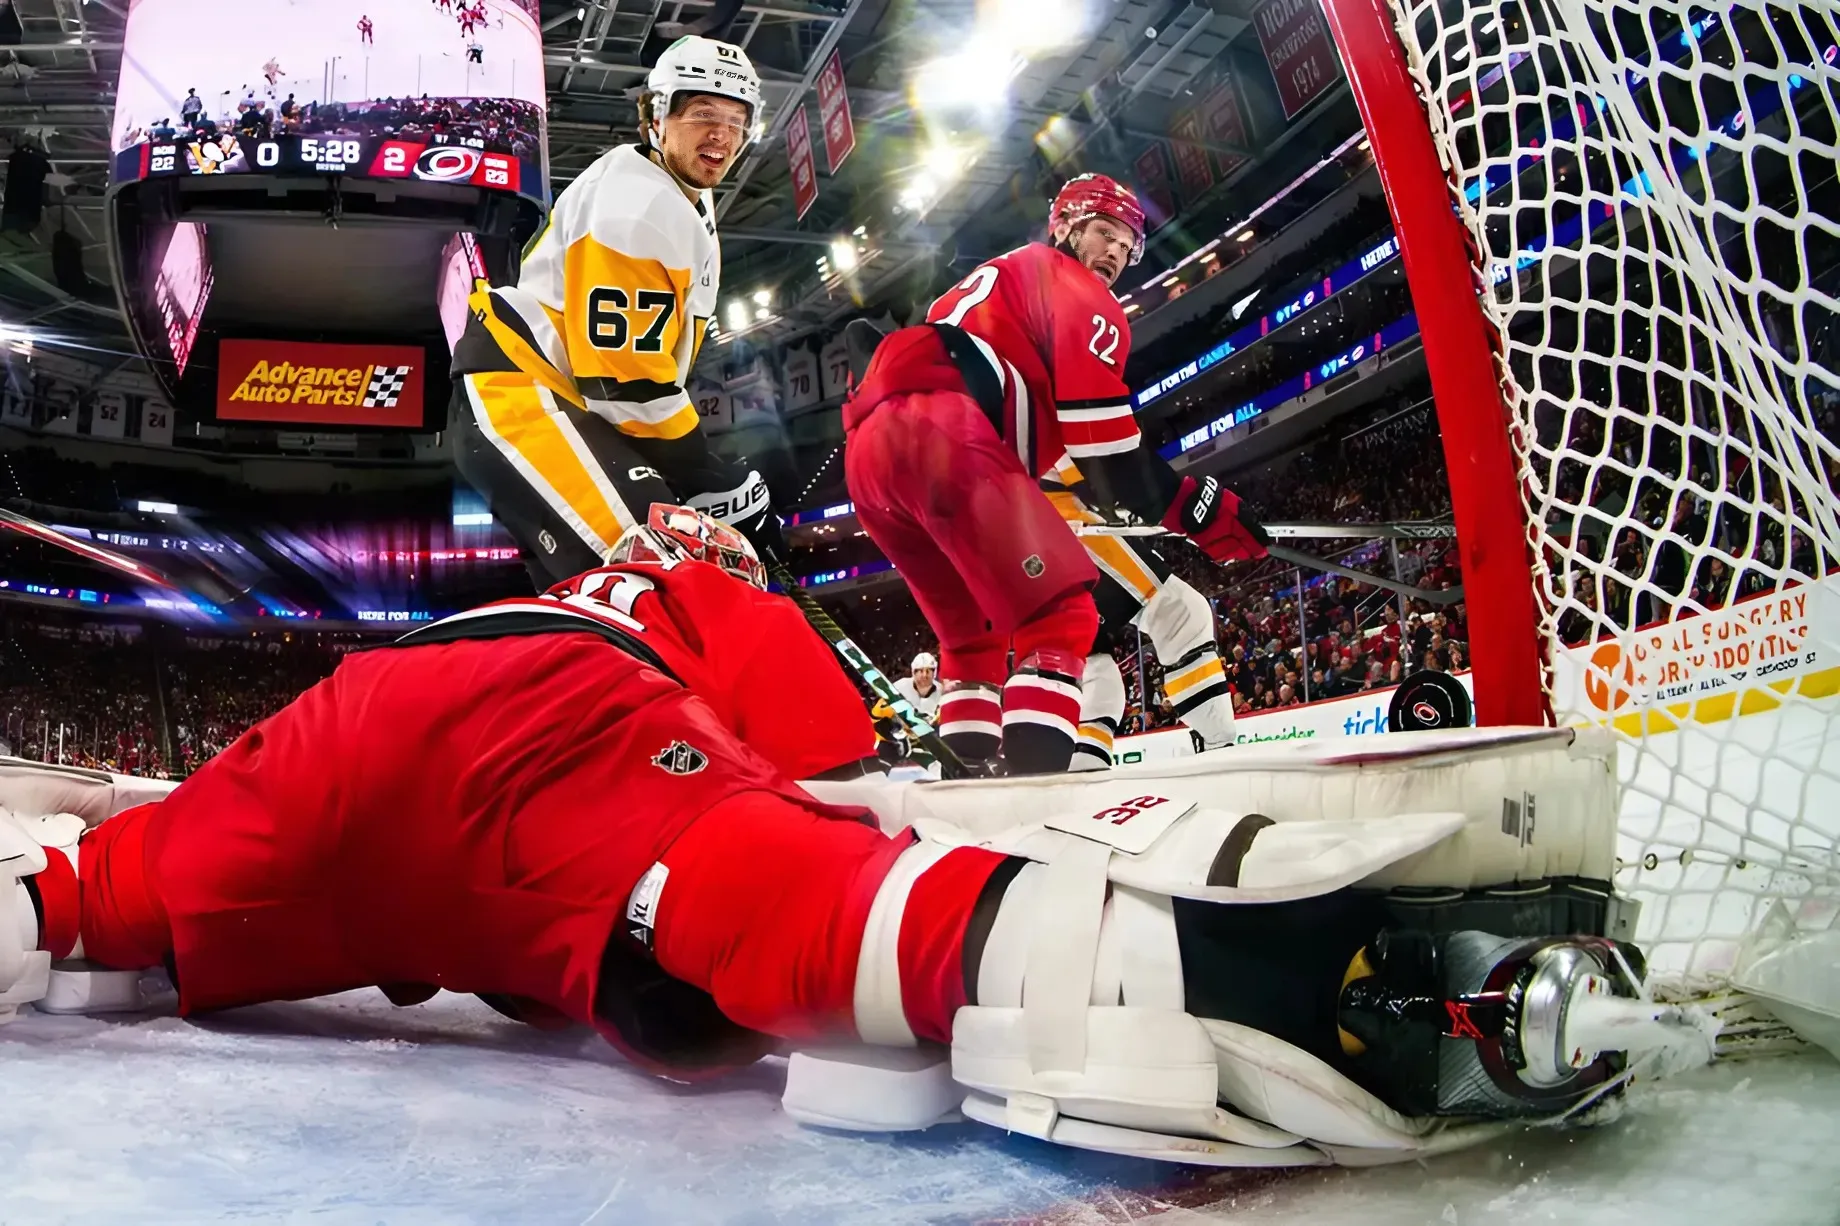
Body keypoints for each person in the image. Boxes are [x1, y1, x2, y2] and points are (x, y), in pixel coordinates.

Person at [0, 512, 1659, 1166]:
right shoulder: (697, 580)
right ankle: (1245, 973)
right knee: (749, 872)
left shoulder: (478, 630)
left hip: (327, 752)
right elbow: (840, 764)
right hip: (561, 716)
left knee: (87, 896)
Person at [844, 173, 1269, 775]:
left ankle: (977, 785)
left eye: (1127, 246)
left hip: (872, 453)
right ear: (1065, 226)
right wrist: (1199, 506)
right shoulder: (1074, 289)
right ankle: (1206, 764)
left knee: (975, 644)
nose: (1115, 254)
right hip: (970, 450)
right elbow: (1103, 452)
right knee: (1114, 617)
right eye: (1104, 233)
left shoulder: (984, 284)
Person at [450, 36, 784, 590]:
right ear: (655, 114)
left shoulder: (671, 190)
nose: (722, 135)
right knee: (661, 588)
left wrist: (698, 475)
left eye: (735, 118)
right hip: (526, 404)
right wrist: (704, 470)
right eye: (702, 113)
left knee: (616, 621)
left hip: (562, 410)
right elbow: (618, 382)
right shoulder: (640, 208)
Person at [890, 651, 941, 722]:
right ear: (914, 672)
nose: (924, 675)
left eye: (928, 671)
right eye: (921, 671)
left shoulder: (942, 692)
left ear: (934, 673)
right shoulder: (900, 686)